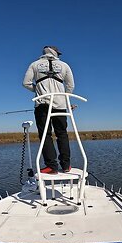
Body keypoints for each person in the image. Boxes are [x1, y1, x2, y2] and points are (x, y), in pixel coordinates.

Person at [23, 46, 75, 174]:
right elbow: (70, 85)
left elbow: (26, 83)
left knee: (45, 134)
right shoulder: (64, 65)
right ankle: (66, 165)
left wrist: (38, 90)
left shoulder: (34, 64)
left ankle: (52, 166)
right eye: (58, 53)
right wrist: (65, 98)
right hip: (61, 105)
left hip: (42, 103)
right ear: (55, 53)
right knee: (62, 133)